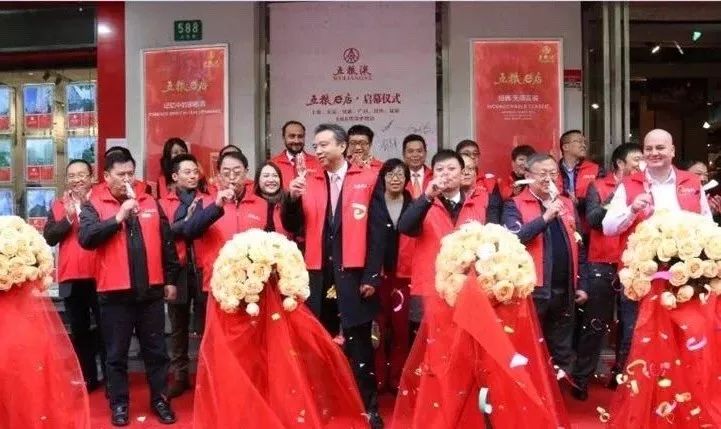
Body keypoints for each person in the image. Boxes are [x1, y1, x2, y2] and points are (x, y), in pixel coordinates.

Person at [604, 130, 720, 427]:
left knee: (687, 342)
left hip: (686, 281)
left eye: (660, 148)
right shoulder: (629, 185)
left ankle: (687, 409)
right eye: (649, 148)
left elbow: (707, 225)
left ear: (672, 151)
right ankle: (647, 409)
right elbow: (608, 227)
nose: (654, 153)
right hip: (645, 281)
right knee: (641, 343)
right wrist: (631, 210)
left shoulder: (691, 182)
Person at [281, 123, 383, 428]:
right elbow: (293, 226)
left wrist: (371, 276)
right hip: (319, 273)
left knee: (360, 343)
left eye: (324, 145)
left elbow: (378, 232)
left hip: (354, 273)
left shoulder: (367, 178)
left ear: (342, 146)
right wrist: (291, 198)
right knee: (320, 343)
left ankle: (369, 408)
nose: (318, 150)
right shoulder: (308, 180)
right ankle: (324, 404)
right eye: (316, 146)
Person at [79, 149, 179, 426]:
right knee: (116, 355)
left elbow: (167, 241)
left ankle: (160, 400)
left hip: (151, 291)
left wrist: (170, 278)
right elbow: (86, 238)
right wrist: (117, 218)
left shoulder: (150, 201)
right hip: (114, 293)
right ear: (106, 176)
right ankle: (120, 404)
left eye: (130, 173)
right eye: (120, 174)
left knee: (157, 352)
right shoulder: (93, 204)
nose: (127, 179)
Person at [502, 153, 587, 376]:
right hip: (533, 290)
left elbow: (579, 244)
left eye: (553, 173)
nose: (548, 178)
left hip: (565, 289)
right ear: (527, 175)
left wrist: (582, 284)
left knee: (562, 349)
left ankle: (559, 391)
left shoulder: (566, 203)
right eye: (542, 174)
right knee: (530, 346)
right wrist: (545, 218)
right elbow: (514, 238)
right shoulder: (513, 204)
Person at [398, 149, 496, 342]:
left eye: (452, 169)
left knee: (464, 345)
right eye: (440, 169)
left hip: (467, 288)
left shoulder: (477, 203)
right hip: (429, 287)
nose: (446, 174)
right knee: (429, 347)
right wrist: (427, 197)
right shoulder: (423, 203)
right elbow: (405, 227)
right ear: (432, 174)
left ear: (462, 173)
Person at [571, 143, 642, 400]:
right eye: (636, 159)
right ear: (620, 164)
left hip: (633, 264)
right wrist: (618, 196)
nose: (641, 164)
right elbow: (593, 220)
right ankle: (581, 378)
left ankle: (621, 376)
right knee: (595, 324)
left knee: (630, 324)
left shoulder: (645, 189)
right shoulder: (598, 186)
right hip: (601, 262)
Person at [183, 151, 285, 293]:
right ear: (219, 175)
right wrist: (217, 206)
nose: (232, 177)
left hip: (253, 283)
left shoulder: (263, 204)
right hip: (217, 283)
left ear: (246, 172)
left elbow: (270, 242)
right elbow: (189, 231)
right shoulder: (206, 202)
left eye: (237, 172)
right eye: (226, 173)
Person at [43, 159, 105, 392]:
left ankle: (110, 376)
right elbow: (50, 237)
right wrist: (68, 218)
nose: (77, 179)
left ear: (91, 177)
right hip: (70, 277)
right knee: (79, 330)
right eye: (72, 176)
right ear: (66, 179)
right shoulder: (59, 204)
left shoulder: (102, 201)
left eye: (82, 175)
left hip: (100, 275)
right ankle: (88, 376)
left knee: (105, 328)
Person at [157, 153, 208, 399]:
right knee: (178, 325)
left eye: (195, 172)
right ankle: (180, 376)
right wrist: (185, 223)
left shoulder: (207, 199)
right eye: (187, 172)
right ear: (175, 176)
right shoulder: (163, 203)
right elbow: (163, 234)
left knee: (205, 324)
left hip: (203, 267)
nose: (192, 176)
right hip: (176, 269)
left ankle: (207, 375)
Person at [364, 159, 414, 394]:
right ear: (382, 178)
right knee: (377, 330)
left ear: (406, 179)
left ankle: (397, 378)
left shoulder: (413, 204)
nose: (395, 179)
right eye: (390, 174)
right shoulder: (371, 204)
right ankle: (379, 379)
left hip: (404, 276)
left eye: (400, 174)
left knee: (401, 330)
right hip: (377, 275)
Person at [556, 130, 603, 235]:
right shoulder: (553, 170)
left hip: (588, 229)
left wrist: (579, 202)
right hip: (561, 227)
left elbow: (603, 199)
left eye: (584, 142)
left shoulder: (596, 169)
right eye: (579, 141)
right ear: (565, 147)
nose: (584, 145)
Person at [454, 139, 503, 223]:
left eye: (475, 154)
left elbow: (494, 215)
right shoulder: (448, 189)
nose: (472, 157)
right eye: (466, 154)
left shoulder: (490, 182)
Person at [270, 120, 320, 188]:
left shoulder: (318, 162)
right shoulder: (273, 164)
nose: (296, 141)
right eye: (292, 136)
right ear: (283, 138)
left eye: (300, 136)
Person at [253, 161, 291, 237]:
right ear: (258, 180)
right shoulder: (251, 203)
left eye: (275, 176)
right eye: (266, 176)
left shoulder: (289, 202)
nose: (271, 180)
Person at [402, 134, 431, 199]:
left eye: (419, 151)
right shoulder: (398, 178)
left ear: (425, 153)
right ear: (404, 154)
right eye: (410, 151)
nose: (415, 155)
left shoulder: (434, 176)